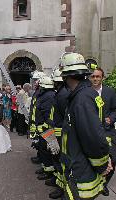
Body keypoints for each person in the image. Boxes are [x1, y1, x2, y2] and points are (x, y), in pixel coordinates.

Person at [59, 52, 112, 199]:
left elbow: (93, 137)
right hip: (81, 165)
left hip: (81, 169)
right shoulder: (85, 94)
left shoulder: (81, 99)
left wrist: (102, 165)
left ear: (66, 76)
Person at [89, 67, 116, 196]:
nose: (95, 79)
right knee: (93, 160)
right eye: (93, 76)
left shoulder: (110, 92)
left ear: (102, 78)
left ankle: (104, 184)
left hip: (107, 131)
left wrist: (110, 119)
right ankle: (96, 183)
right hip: (91, 132)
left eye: (98, 76)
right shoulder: (86, 92)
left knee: (112, 158)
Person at [46, 69, 70, 199]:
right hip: (56, 130)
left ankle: (61, 188)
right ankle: (58, 182)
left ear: (56, 82)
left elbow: (63, 116)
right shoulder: (60, 92)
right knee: (55, 158)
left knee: (59, 160)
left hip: (59, 133)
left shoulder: (62, 95)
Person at [29, 71, 45, 165]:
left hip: (40, 122)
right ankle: (39, 156)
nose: (34, 82)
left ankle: (41, 158)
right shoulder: (37, 91)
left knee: (40, 142)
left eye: (36, 80)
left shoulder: (41, 92)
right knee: (37, 140)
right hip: (35, 120)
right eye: (34, 80)